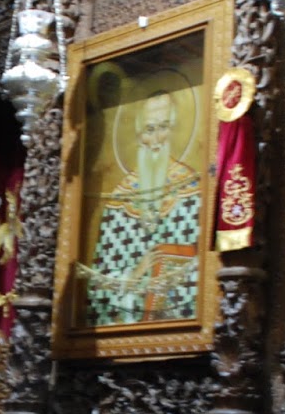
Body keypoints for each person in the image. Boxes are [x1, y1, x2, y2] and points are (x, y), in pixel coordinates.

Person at [79, 89, 203, 325]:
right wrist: (137, 273)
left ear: (173, 129)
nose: (157, 139)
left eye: (163, 127)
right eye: (149, 129)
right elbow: (98, 286)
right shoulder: (119, 201)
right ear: (138, 135)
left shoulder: (192, 191)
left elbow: (204, 266)